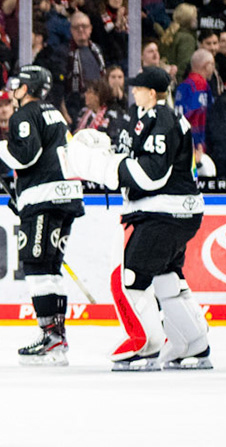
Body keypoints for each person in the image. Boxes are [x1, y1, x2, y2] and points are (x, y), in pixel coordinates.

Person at [66, 66, 212, 371]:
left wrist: (104, 167)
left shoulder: (160, 119)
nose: (133, 91)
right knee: (166, 278)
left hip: (162, 212)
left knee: (129, 278)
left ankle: (144, 344)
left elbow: (151, 174)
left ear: (152, 92)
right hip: (174, 211)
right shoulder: (158, 118)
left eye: (138, 88)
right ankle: (192, 344)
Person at [0, 65, 85, 365]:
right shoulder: (55, 113)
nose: (12, 91)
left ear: (27, 88)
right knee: (51, 267)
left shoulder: (24, 115)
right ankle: (57, 336)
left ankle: (51, 339)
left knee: (37, 268)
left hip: (45, 199)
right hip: (66, 195)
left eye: (17, 85)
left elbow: (26, 154)